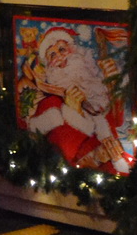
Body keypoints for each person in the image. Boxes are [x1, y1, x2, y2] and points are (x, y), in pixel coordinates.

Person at [24, 25, 131, 175]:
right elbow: (61, 152)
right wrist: (76, 111)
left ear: (74, 51)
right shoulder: (53, 104)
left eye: (62, 49)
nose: (60, 57)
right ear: (49, 68)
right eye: (52, 55)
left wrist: (114, 81)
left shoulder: (98, 89)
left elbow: (119, 122)